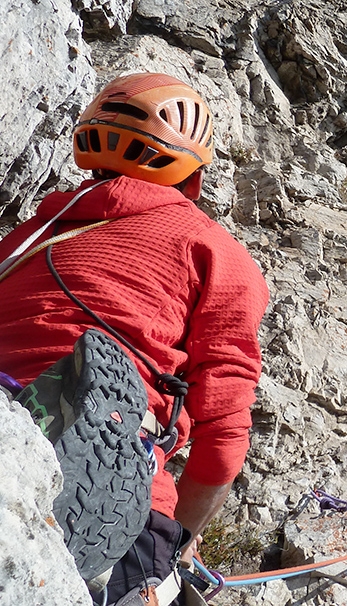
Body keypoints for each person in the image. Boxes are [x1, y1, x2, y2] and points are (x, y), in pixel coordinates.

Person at [0, 73, 270, 604]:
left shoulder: (34, 230)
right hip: (118, 492)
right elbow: (224, 433)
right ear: (192, 175)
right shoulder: (214, 251)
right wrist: (180, 543)